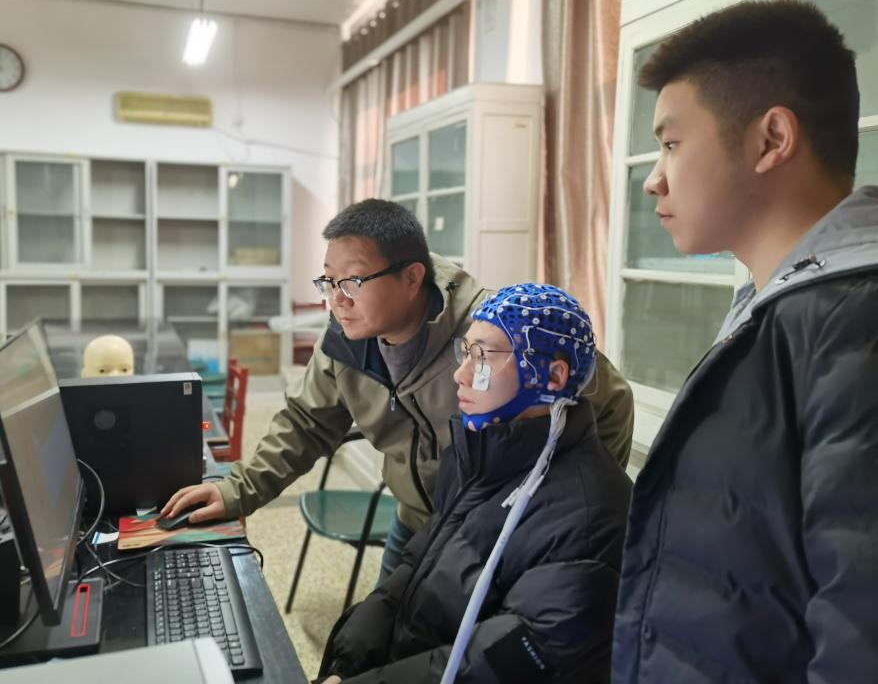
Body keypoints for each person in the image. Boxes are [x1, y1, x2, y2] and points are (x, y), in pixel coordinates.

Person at [613, 0, 878, 682]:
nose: (653, 179)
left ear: (771, 139)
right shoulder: (775, 307)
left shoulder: (855, 323)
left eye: (672, 143)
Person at [162, 199, 634, 581]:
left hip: (494, 534)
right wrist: (236, 490)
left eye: (353, 280)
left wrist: (565, 506)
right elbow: (306, 424)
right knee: (381, 638)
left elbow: (612, 399)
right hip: (412, 522)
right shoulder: (345, 341)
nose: (337, 299)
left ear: (411, 278)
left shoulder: (492, 332)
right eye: (329, 281)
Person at [317, 283, 631, 683]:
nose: (460, 374)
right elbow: (414, 570)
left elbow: (497, 664)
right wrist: (347, 663)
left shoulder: (592, 517)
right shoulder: (477, 460)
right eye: (465, 352)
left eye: (483, 357)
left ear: (554, 376)